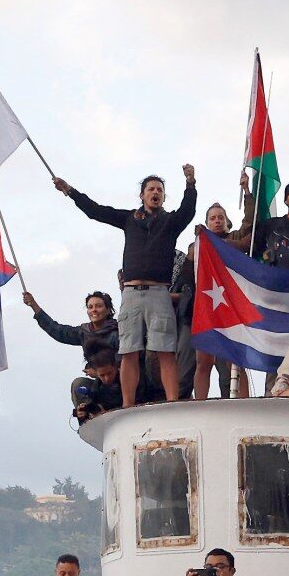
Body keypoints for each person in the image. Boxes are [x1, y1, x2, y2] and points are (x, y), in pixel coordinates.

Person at [53, 167, 198, 407]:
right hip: (131, 293)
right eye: (151, 189)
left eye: (160, 190)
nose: (156, 192)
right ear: (142, 195)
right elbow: (96, 211)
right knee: (128, 351)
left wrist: (190, 183)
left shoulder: (170, 222)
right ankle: (128, 404)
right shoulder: (130, 219)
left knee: (165, 350)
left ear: (163, 197)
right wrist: (70, 191)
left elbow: (187, 211)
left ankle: (172, 402)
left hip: (159, 292)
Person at [182, 203, 250, 400]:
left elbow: (250, 227)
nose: (217, 220)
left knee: (234, 361)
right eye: (212, 218)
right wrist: (195, 248)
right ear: (206, 223)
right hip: (205, 306)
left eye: (221, 217)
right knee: (203, 361)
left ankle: (244, 403)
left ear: (227, 221)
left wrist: (247, 192)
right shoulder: (197, 245)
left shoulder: (234, 239)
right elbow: (187, 277)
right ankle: (200, 404)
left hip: (230, 306)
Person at [22, 289, 118, 364]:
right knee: (79, 384)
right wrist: (33, 305)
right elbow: (57, 331)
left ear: (108, 310)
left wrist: (98, 370)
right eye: (90, 307)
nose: (94, 310)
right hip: (98, 383)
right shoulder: (84, 332)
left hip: (121, 379)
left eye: (99, 306)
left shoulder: (118, 332)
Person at [70, 348, 124, 423]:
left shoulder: (127, 377)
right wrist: (82, 414)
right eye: (102, 375)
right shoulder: (97, 386)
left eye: (109, 373)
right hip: (107, 423)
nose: (107, 378)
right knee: (78, 383)